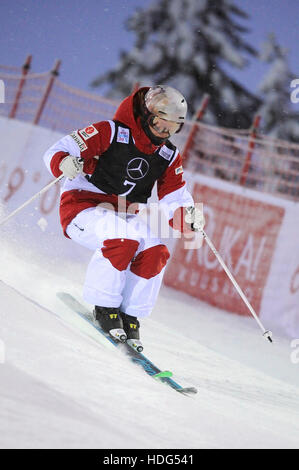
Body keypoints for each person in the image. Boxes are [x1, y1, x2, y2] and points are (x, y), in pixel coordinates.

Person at [43, 85, 205, 352]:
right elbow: (59, 148)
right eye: (159, 123)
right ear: (145, 115)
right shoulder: (111, 131)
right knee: (124, 239)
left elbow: (174, 198)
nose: (164, 133)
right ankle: (104, 307)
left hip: (123, 213)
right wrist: (63, 162)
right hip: (81, 207)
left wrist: (187, 217)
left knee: (156, 250)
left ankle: (130, 315)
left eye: (173, 128)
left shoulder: (167, 155)